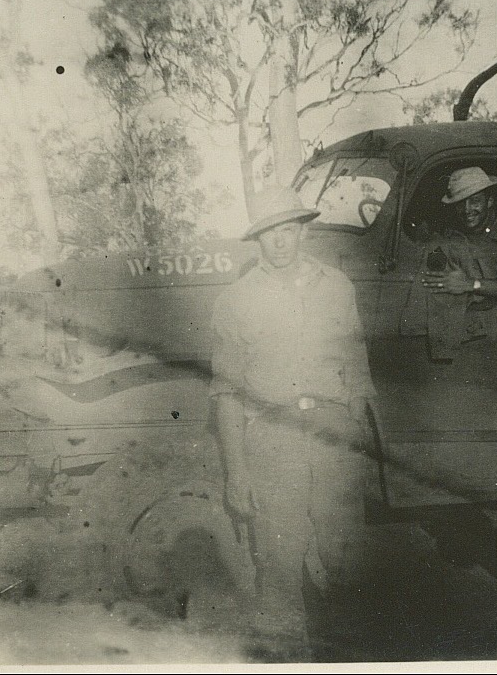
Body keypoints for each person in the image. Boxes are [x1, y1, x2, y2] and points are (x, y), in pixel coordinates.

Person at [209, 187, 378, 660]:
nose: (281, 241)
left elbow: (356, 362)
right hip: (274, 438)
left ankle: (353, 656)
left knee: (346, 559)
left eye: (288, 230)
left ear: (303, 230)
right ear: (258, 239)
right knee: (279, 563)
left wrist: (357, 431)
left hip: (333, 437)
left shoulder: (337, 286)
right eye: (270, 233)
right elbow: (226, 392)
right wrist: (237, 473)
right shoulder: (236, 300)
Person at [421, 166, 497, 307]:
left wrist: (470, 284)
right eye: (460, 203)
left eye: (475, 201)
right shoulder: (453, 228)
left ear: (489, 201)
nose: (467, 209)